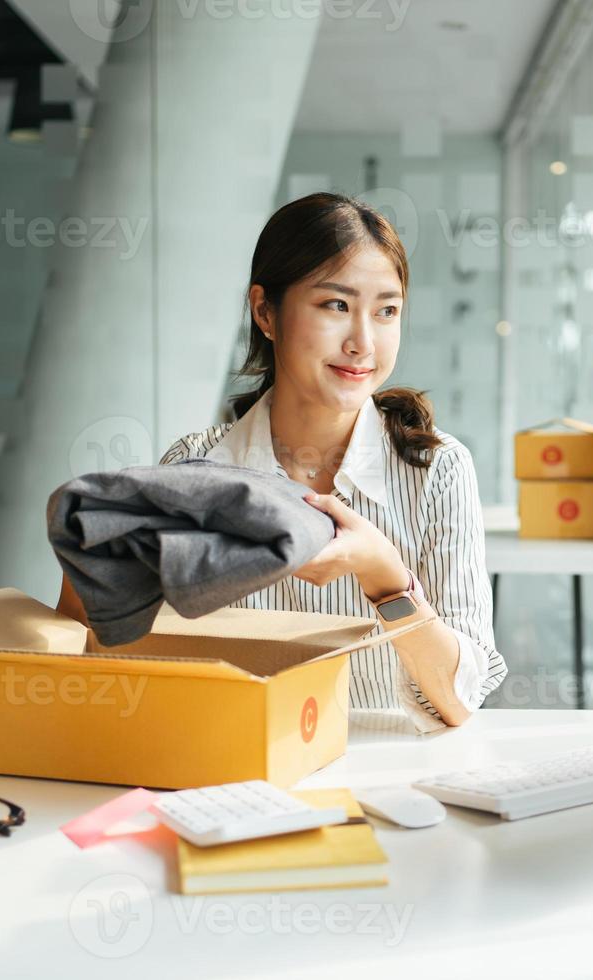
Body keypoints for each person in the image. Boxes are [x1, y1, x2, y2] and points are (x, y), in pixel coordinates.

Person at [59, 192, 506, 730]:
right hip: (239, 761)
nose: (363, 342)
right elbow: (125, 654)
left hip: (389, 772)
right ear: (266, 311)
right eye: (336, 305)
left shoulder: (437, 470)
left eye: (386, 311)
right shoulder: (195, 466)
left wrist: (383, 573)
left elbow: (460, 701)